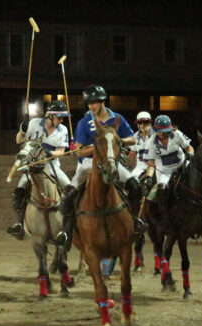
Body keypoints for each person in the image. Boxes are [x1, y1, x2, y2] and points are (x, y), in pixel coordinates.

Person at [55, 84, 146, 252]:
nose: (91, 106)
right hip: (89, 164)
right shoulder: (84, 122)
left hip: (112, 161)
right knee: (69, 194)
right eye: (89, 103)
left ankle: (135, 222)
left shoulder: (116, 118)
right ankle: (65, 232)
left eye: (94, 102)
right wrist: (97, 147)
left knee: (135, 185)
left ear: (102, 101)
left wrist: (116, 141)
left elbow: (133, 139)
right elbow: (79, 152)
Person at [6, 100, 71, 240]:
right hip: (33, 167)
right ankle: (19, 224)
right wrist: (22, 130)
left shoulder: (63, 129)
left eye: (62, 117)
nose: (61, 119)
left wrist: (50, 154)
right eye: (59, 117)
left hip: (52, 166)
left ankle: (67, 228)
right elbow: (19, 140)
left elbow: (61, 151)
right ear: (49, 116)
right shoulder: (35, 123)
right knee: (20, 189)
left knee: (70, 188)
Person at [141, 114, 194, 229]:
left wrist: (190, 155)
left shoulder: (177, 134)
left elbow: (189, 147)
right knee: (162, 187)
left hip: (182, 163)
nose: (161, 134)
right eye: (159, 131)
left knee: (196, 177)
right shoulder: (151, 141)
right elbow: (151, 162)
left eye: (164, 131)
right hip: (164, 169)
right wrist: (149, 177)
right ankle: (165, 216)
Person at [129, 111, 155, 271]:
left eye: (145, 123)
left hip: (154, 166)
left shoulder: (157, 135)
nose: (142, 126)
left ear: (150, 123)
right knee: (129, 184)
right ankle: (131, 212)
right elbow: (132, 155)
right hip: (139, 167)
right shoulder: (135, 136)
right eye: (140, 123)